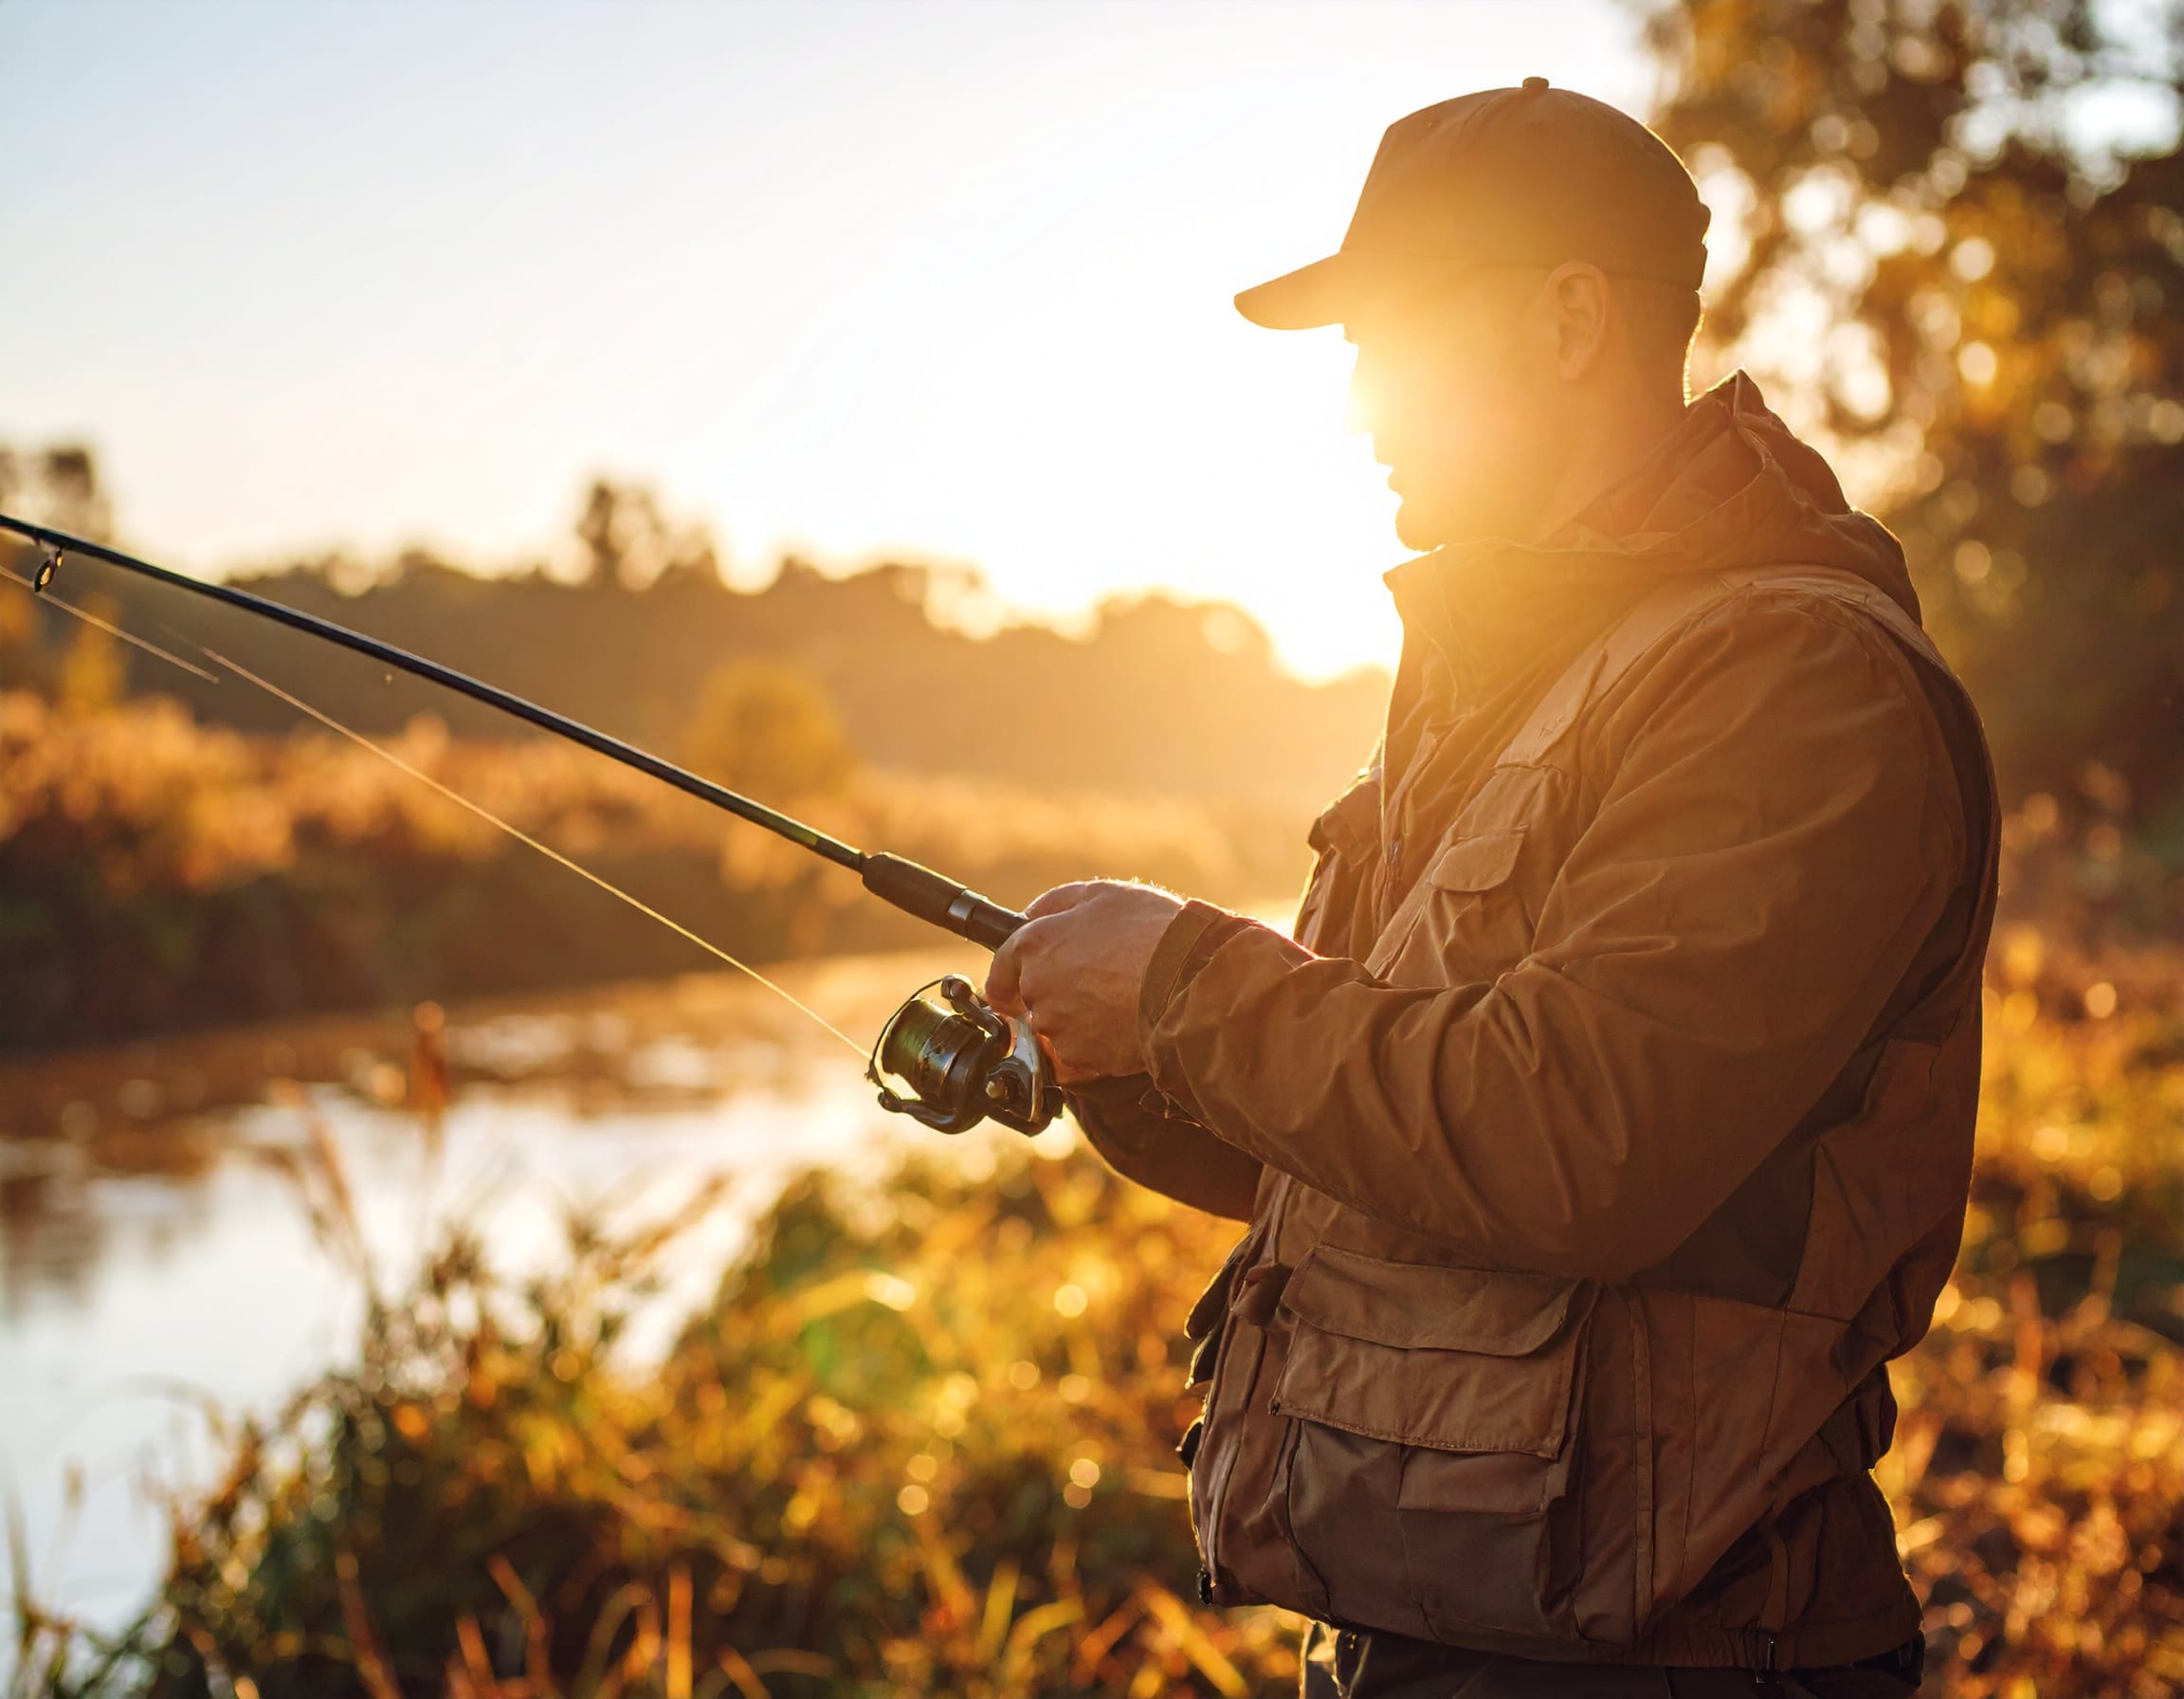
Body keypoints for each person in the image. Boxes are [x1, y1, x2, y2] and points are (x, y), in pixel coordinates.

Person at [984, 80, 1998, 1697]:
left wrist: (1183, 984)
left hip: (1683, 1659)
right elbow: (1370, 1144)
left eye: (1389, 338)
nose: (1365, 405)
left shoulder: (1793, 684)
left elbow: (1583, 1139)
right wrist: (1121, 1048)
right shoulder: (1496, 690)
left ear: (1571, 320)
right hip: (1419, 1633)